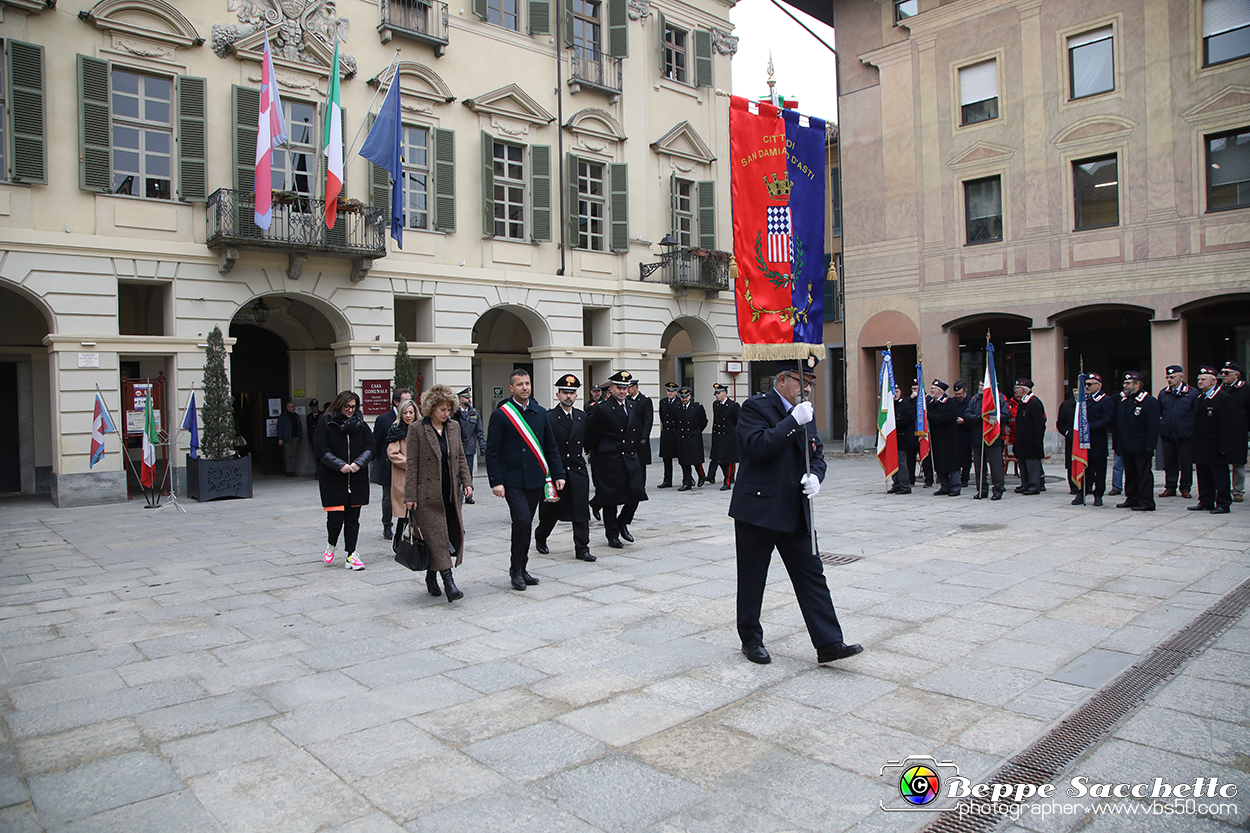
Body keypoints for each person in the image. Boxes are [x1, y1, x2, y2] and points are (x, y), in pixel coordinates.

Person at [730, 355, 861, 666]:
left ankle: (829, 643)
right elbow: (757, 446)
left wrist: (816, 475)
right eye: (802, 382)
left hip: (796, 509)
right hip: (758, 509)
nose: (807, 388)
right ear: (781, 381)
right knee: (752, 578)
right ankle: (750, 639)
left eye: (811, 383)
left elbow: (816, 454)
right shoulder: (755, 407)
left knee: (812, 575)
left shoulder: (805, 412)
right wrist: (792, 422)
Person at [485, 368, 566, 590]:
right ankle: (515, 570)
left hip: (534, 479)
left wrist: (558, 475)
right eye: (520, 384)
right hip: (512, 479)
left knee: (527, 523)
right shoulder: (501, 414)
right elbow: (492, 451)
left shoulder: (540, 413)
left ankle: (523, 567)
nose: (525, 388)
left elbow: (550, 447)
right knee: (521, 520)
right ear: (511, 388)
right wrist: (496, 481)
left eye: (527, 383)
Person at [403, 385, 473, 601]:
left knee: (447, 535)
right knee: (437, 537)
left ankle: (431, 576)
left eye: (448, 409)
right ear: (431, 408)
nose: (446, 413)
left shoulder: (453, 427)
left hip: (450, 493)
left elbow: (460, 456)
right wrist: (410, 495)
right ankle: (449, 583)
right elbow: (412, 462)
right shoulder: (417, 429)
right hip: (426, 495)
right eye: (442, 409)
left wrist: (466, 481)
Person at [535, 374, 595, 562]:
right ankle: (541, 536)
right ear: (558, 394)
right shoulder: (549, 417)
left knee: (581, 511)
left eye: (572, 392)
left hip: (577, 471)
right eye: (564, 392)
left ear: (576, 395)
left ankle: (582, 548)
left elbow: (587, 443)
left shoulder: (582, 418)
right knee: (550, 511)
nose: (568, 396)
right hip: (555, 471)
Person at [586, 370, 648, 548]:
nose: (622, 391)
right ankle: (612, 534)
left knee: (637, 492)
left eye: (625, 388)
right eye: (619, 387)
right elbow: (593, 435)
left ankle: (623, 522)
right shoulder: (601, 408)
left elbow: (635, 429)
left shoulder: (632, 406)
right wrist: (599, 455)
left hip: (629, 456)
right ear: (611, 388)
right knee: (610, 499)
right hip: (609, 458)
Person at [313, 390, 374, 570]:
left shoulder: (361, 424)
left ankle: (351, 554)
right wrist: (340, 465)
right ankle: (331, 543)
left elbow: (370, 446)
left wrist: (358, 463)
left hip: (356, 478)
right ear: (339, 405)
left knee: (353, 518)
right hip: (333, 478)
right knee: (335, 517)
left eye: (353, 407)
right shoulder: (326, 422)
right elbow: (320, 448)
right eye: (346, 407)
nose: (350, 410)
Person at [388, 399, 442, 596]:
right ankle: (401, 543)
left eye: (411, 412)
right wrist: (412, 464)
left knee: (419, 519)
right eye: (405, 413)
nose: (408, 416)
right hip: (404, 477)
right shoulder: (396, 431)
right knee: (405, 515)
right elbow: (393, 454)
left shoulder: (421, 429)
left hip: (423, 481)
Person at [1190, 366, 1236, 515]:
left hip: (1215, 444)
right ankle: (1206, 500)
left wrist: (1224, 446)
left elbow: (1227, 424)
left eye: (1203, 379)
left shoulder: (1222, 398)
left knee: (1220, 476)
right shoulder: (1200, 397)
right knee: (1203, 474)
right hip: (1201, 444)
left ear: (1214, 381)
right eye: (1199, 379)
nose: (1200, 382)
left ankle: (1223, 503)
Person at [1114, 371, 1161, 511]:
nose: (1125, 386)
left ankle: (1146, 501)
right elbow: (1119, 425)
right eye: (1124, 383)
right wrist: (1118, 444)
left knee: (1143, 474)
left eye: (1128, 383)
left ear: (1138, 384)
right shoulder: (1125, 401)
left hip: (1141, 446)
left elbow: (1153, 427)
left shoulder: (1149, 402)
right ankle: (1132, 498)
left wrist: (1150, 446)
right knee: (1130, 473)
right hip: (1127, 444)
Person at [372, 389, 412, 540]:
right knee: (388, 498)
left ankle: (406, 526)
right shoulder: (384, 419)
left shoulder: (414, 419)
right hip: (389, 465)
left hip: (408, 468)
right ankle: (387, 525)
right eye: (405, 400)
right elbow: (376, 442)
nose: (409, 404)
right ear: (396, 402)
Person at [1158, 365, 1198, 499]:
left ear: (1181, 376)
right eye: (1168, 377)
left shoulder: (1192, 393)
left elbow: (1195, 413)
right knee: (1169, 462)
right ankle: (1170, 487)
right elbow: (1160, 411)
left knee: (1186, 463)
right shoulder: (1164, 393)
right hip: (1168, 434)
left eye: (1172, 377)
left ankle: (1185, 487)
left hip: (1185, 434)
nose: (1170, 380)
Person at [965, 380, 1009, 500]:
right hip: (977, 437)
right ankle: (982, 489)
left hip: (993, 438)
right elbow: (967, 415)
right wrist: (979, 418)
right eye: (980, 386)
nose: (981, 388)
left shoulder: (999, 400)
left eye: (983, 386)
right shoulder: (975, 400)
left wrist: (992, 417)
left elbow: (1005, 416)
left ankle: (998, 490)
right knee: (979, 466)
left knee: (996, 466)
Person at [1081, 373, 1115, 506]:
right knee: (1084, 468)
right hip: (1083, 441)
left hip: (1097, 440)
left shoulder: (1105, 400)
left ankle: (1098, 494)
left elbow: (1107, 420)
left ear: (1099, 385)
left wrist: (1088, 427)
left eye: (1090, 384)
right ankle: (1082, 492)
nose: (1087, 387)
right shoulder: (1083, 400)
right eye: (1086, 384)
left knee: (1099, 470)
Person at [1220, 362, 1249, 503]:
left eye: (1227, 373)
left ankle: (1238, 491)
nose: (1223, 376)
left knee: (1238, 462)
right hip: (1222, 431)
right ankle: (1222, 489)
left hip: (1239, 431)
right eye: (1222, 372)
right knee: (1220, 461)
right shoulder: (1220, 389)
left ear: (1236, 375)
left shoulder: (1245, 388)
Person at [926, 380, 961, 496]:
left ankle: (955, 486)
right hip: (936, 437)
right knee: (939, 463)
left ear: (940, 391)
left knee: (951, 463)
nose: (931, 391)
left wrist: (930, 417)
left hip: (948, 438)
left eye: (933, 388)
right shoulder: (931, 404)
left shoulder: (949, 402)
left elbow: (947, 417)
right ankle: (944, 485)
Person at [452, 387, 486, 504]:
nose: (469, 399)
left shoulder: (474, 413)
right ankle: (457, 494)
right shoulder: (454, 414)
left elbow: (479, 431)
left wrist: (482, 446)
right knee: (456, 472)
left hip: (470, 447)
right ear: (460, 399)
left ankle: (468, 495)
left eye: (469, 397)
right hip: (457, 447)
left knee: (468, 472)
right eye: (466, 397)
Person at [1013, 378, 1045, 495]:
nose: (1015, 391)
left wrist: (1037, 441)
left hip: (1031, 441)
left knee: (1032, 465)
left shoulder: (1034, 403)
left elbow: (1039, 424)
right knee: (1023, 464)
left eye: (1018, 389)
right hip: (1022, 441)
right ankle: (1025, 483)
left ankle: (1034, 485)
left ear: (1024, 390)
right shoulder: (1023, 402)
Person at [673, 386, 709, 489]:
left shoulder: (697, 407)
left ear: (690, 396)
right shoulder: (677, 408)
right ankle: (687, 482)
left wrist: (696, 431)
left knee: (696, 460)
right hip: (682, 437)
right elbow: (676, 422)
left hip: (693, 437)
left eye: (686, 396)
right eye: (683, 397)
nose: (685, 399)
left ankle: (701, 475)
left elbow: (703, 421)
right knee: (684, 462)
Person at [710, 383, 740, 491]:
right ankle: (727, 477)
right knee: (719, 460)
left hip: (729, 437)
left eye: (718, 393)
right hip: (719, 437)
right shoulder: (716, 405)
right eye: (716, 393)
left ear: (724, 393)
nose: (716, 395)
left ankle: (727, 481)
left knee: (729, 461)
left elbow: (738, 422)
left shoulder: (733, 406)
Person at [888, 385, 913, 495]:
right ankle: (896, 484)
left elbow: (909, 418)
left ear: (900, 392)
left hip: (901, 437)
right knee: (891, 461)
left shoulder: (906, 404)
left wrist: (896, 421)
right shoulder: (888, 405)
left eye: (896, 391)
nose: (895, 394)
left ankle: (905, 485)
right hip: (891, 438)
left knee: (901, 462)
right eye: (893, 392)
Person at [1056, 387, 1079, 495]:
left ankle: (1086, 486)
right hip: (1071, 439)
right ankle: (1073, 486)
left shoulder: (1089, 404)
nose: (1076, 393)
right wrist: (1068, 433)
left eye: (1079, 390)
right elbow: (1060, 423)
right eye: (1074, 390)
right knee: (1071, 463)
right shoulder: (1066, 405)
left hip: (1085, 440)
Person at [657, 382, 680, 488]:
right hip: (666, 432)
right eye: (668, 391)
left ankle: (688, 478)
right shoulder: (663, 402)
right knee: (666, 458)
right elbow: (662, 416)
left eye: (672, 391)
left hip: (677, 432)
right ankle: (667, 480)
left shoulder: (680, 402)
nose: (670, 393)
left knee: (682, 457)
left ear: (676, 392)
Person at [952, 381, 975, 485]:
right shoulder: (953, 402)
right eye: (956, 394)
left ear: (964, 392)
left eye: (960, 394)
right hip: (955, 432)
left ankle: (965, 477)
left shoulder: (971, 401)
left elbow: (973, 416)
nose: (958, 396)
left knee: (966, 456)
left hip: (967, 432)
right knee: (956, 455)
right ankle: (957, 476)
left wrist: (964, 421)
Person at [276, 400, 303, 477]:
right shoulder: (283, 417)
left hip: (295, 437)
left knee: (293, 455)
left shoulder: (296, 416)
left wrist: (300, 435)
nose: (293, 408)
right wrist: (280, 438)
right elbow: (279, 427)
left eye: (293, 406)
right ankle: (288, 470)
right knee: (288, 455)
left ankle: (293, 470)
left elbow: (299, 426)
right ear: (287, 408)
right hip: (287, 438)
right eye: (291, 407)